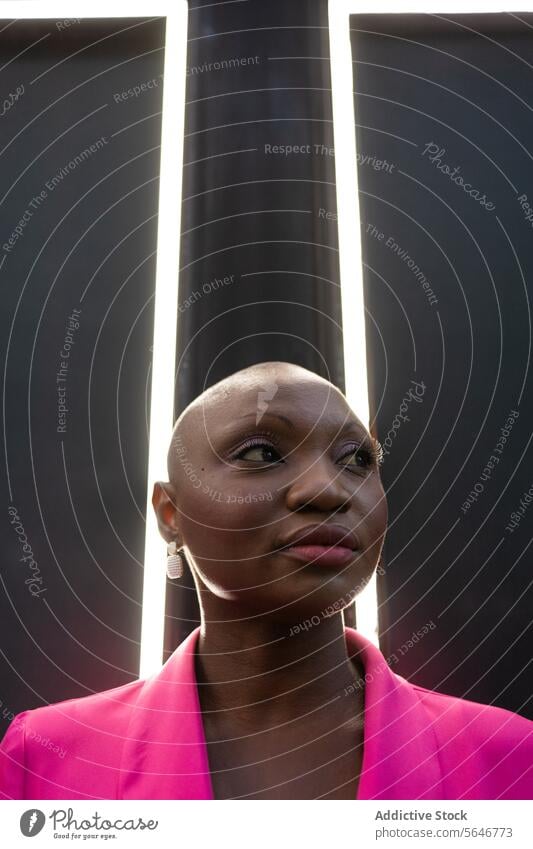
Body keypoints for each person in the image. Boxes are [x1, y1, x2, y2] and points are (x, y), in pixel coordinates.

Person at [0, 361, 531, 799]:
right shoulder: (41, 758)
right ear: (171, 514)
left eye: (357, 460)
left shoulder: (509, 757)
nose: (328, 490)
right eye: (261, 453)